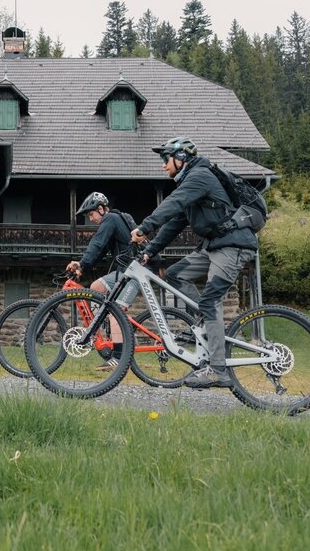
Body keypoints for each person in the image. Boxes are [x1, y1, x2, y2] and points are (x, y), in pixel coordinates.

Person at [129, 137, 258, 389]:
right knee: (176, 274)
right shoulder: (191, 186)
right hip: (214, 245)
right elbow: (174, 223)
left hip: (233, 246)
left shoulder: (199, 176)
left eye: (165, 159)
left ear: (181, 158)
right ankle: (206, 322)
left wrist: (144, 227)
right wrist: (149, 251)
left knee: (210, 301)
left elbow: (173, 203)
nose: (163, 165)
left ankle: (218, 370)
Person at [65, 191, 139, 370]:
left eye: (91, 214)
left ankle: (119, 359)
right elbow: (101, 251)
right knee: (95, 287)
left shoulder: (111, 219)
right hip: (123, 273)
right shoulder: (114, 221)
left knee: (116, 312)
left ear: (101, 209)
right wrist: (82, 265)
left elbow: (97, 244)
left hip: (135, 273)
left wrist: (82, 265)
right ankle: (103, 326)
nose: (90, 218)